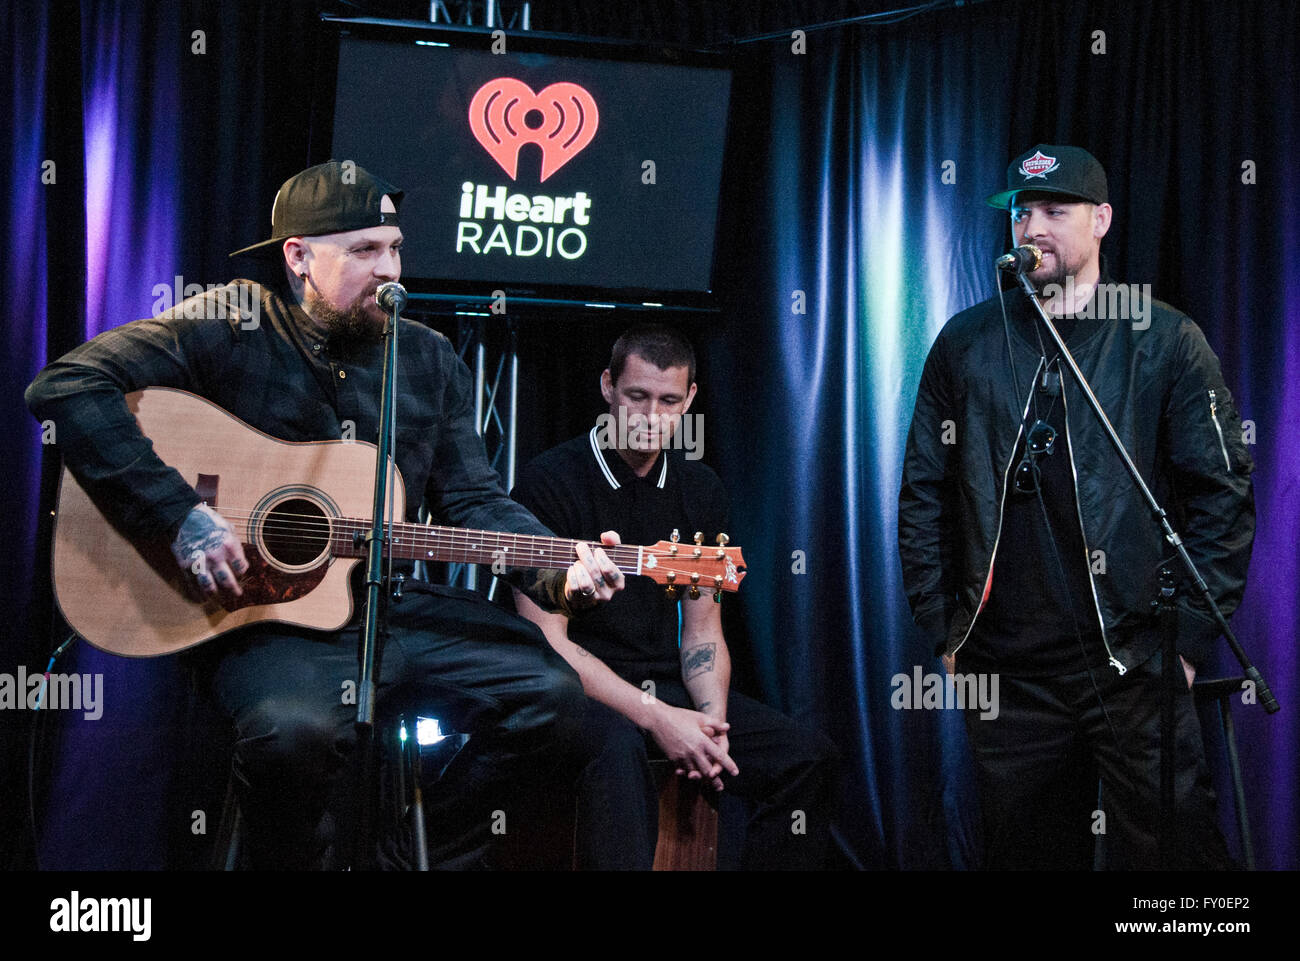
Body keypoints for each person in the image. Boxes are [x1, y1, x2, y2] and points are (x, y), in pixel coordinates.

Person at [26, 160, 627, 869]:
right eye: (365, 250)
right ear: (299, 256)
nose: (390, 268)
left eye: (395, 247)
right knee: (291, 732)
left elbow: (473, 499)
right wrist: (181, 514)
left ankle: (404, 859)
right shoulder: (234, 320)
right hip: (266, 623)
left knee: (560, 703)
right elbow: (67, 384)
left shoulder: (427, 358)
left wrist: (560, 570)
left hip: (392, 610)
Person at [898, 145, 1255, 869]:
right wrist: (946, 626)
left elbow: (1222, 493)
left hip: (1133, 658)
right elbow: (922, 492)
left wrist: (1184, 641)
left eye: (1056, 211)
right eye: (1022, 212)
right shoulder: (966, 344)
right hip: (1009, 668)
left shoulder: (1164, 340)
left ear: (1102, 220)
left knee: (1178, 863)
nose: (1033, 229)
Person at [510, 324, 839, 869]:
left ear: (689, 400)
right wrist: (658, 718)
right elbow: (550, 643)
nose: (649, 415)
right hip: (578, 688)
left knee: (806, 759)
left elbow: (704, 632)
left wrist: (710, 722)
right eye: (637, 396)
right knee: (616, 755)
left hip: (665, 682)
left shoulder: (700, 489)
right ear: (608, 388)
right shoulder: (550, 482)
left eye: (667, 400)